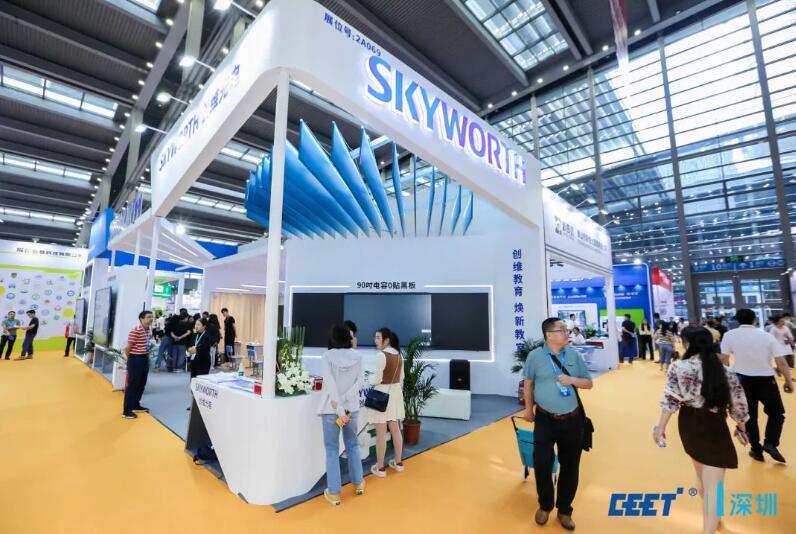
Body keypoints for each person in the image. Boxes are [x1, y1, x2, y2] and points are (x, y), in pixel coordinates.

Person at [653, 328, 749, 534]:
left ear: (687, 343)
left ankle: (715, 522)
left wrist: (661, 427)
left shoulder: (678, 367)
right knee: (714, 486)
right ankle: (711, 527)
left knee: (702, 477)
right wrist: (742, 428)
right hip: (714, 426)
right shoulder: (725, 371)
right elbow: (738, 404)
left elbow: (670, 399)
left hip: (689, 424)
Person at [523, 317, 593, 531]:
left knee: (570, 466)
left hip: (572, 420)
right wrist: (528, 409)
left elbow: (588, 383)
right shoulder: (535, 356)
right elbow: (528, 383)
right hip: (544, 419)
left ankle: (564, 510)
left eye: (566, 329)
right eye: (562, 329)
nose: (567, 332)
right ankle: (545, 506)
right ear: (549, 335)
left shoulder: (573, 355)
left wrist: (572, 380)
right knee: (542, 463)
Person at [720, 308, 793, 463]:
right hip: (766, 380)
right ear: (755, 320)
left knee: (749, 416)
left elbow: (724, 360)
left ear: (738, 320)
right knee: (776, 413)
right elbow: (781, 362)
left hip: (741, 380)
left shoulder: (729, 335)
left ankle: (756, 449)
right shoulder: (766, 336)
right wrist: (788, 381)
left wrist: (725, 381)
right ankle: (770, 442)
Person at [317, 324, 365, 506]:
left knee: (331, 449)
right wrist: (345, 403)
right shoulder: (358, 356)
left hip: (332, 410)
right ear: (348, 338)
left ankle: (334, 493)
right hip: (352, 408)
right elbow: (360, 382)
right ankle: (359, 483)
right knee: (352, 445)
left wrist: (340, 408)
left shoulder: (327, 356)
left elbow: (330, 385)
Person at [363, 327, 405, 478]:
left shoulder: (381, 355)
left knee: (381, 433)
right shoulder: (399, 355)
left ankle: (380, 468)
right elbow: (401, 378)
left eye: (378, 338)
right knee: (395, 429)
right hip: (395, 394)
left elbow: (376, 379)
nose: (375, 341)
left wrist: (369, 378)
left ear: (386, 340)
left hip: (381, 395)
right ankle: (398, 463)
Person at [122, 310, 154, 419]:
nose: (151, 319)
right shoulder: (136, 330)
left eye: (152, 317)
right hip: (136, 359)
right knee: (133, 385)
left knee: (141, 384)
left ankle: (136, 405)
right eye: (148, 317)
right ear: (141, 319)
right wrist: (131, 360)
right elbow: (127, 348)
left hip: (144, 358)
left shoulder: (147, 330)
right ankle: (127, 411)